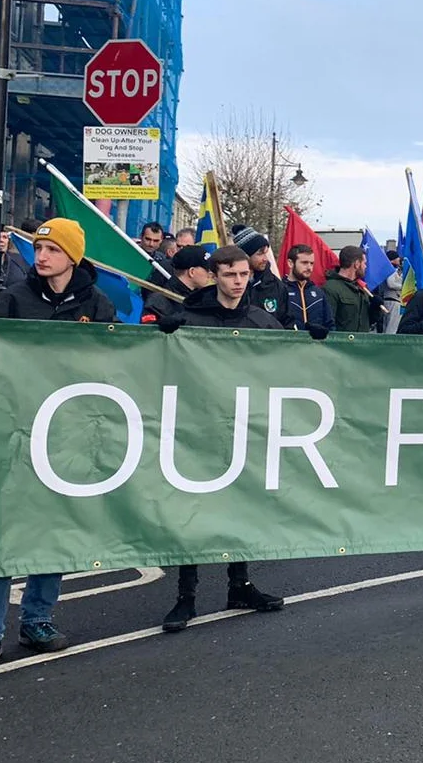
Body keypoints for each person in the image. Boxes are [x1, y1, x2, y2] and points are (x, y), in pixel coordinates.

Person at [0, 217, 116, 676]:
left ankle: (38, 619)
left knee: (52, 528)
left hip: (66, 435)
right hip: (13, 430)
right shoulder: (13, 298)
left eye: (53, 250)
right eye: (39, 249)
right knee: (0, 531)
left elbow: (113, 369)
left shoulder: (98, 305)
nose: (41, 256)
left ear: (73, 256)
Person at [158, 245, 290, 631]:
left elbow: (290, 363)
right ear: (214, 274)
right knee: (193, 510)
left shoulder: (261, 320)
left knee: (241, 505)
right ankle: (186, 596)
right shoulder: (188, 317)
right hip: (197, 428)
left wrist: (314, 342)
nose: (238, 282)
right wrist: (161, 334)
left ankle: (240, 583)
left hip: (246, 427)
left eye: (244, 275)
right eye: (230, 275)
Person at [232, 225, 290, 327]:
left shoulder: (276, 286)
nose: (265, 259)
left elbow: (288, 322)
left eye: (266, 253)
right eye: (260, 254)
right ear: (245, 255)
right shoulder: (229, 284)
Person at [140, 245, 213, 325]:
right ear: (192, 272)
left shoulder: (204, 298)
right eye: (207, 270)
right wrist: (161, 324)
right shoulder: (158, 301)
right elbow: (146, 332)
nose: (211, 274)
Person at [285, 243, 334, 335]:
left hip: (315, 347)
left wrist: (323, 333)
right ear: (290, 263)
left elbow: (330, 325)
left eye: (311, 263)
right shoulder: (280, 290)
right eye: (304, 263)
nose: (309, 268)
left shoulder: (319, 293)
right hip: (289, 347)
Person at [325, 245, 372, 332]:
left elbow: (368, 321)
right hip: (343, 343)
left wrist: (375, 309)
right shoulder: (331, 288)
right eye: (364, 263)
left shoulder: (361, 288)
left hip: (362, 343)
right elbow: (328, 323)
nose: (366, 267)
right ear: (357, 264)